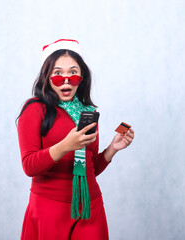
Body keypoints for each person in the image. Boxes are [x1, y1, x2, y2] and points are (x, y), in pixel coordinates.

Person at [17, 39, 135, 240]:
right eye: (58, 73)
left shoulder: (87, 113)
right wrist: (65, 146)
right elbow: (29, 166)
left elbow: (89, 168)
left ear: (81, 77)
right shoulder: (34, 109)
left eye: (73, 72)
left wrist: (111, 149)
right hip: (50, 208)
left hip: (89, 206)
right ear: (47, 77)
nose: (66, 79)